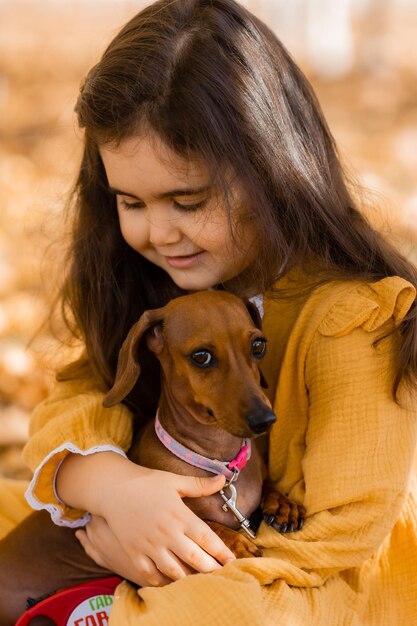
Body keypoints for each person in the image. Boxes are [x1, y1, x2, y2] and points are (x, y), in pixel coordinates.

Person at [1, 0, 417, 623]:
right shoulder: (157, 293)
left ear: (273, 173)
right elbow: (78, 404)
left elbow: (342, 538)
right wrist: (114, 492)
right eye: (131, 202)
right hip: (144, 539)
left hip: (293, 582)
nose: (160, 232)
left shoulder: (353, 319)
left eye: (186, 200)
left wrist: (169, 556)